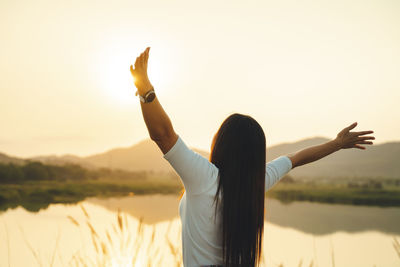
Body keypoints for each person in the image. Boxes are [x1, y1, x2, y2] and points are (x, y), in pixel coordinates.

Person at [130, 47, 375, 267]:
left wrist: (145, 91)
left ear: (221, 143)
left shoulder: (204, 178)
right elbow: (297, 158)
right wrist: (337, 144)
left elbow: (163, 135)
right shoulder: (255, 183)